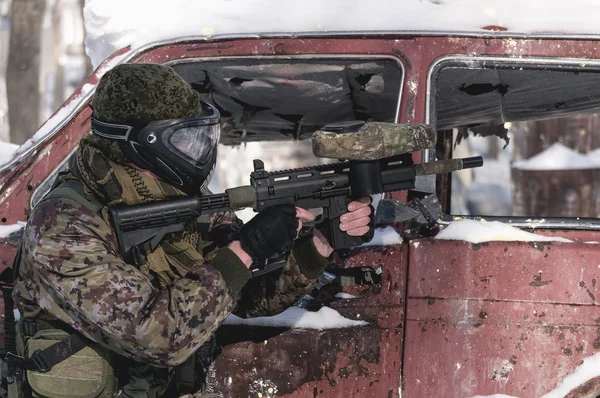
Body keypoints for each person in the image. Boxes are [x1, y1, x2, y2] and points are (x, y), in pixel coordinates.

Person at [11, 63, 372, 397]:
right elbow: (156, 336)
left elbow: (245, 297)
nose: (197, 152)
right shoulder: (64, 224)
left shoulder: (180, 197)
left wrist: (318, 242)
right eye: (184, 141)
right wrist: (244, 250)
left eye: (200, 138)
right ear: (140, 144)